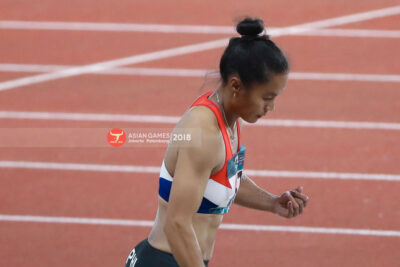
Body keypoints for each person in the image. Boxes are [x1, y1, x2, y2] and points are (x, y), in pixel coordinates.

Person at [125, 17, 310, 267]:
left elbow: (223, 178)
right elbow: (177, 224)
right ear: (236, 86)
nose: (271, 107)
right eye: (267, 97)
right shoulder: (203, 132)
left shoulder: (231, 119)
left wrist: (272, 202)